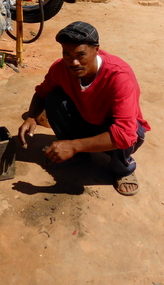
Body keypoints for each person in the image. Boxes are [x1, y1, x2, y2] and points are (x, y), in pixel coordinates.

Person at [18, 21, 150, 196]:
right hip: (88, 121)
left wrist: (73, 145)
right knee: (54, 99)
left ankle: (123, 169)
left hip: (116, 132)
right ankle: (78, 156)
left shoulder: (118, 76)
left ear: (96, 50)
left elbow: (125, 134)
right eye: (67, 54)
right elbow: (42, 92)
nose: (73, 62)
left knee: (126, 132)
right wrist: (32, 117)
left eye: (81, 55)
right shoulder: (61, 68)